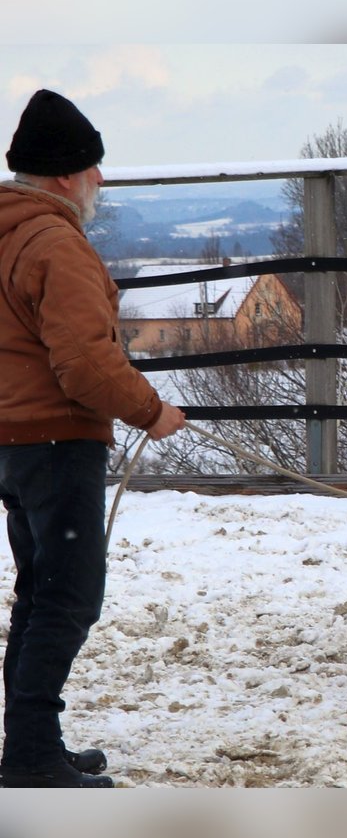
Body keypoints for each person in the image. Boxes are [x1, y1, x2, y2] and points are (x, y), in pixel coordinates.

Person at [0, 89, 187, 788]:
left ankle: (32, 744)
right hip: (56, 441)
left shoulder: (9, 233)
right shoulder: (57, 244)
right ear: (63, 177)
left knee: (43, 592)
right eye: (92, 169)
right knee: (69, 596)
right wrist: (151, 412)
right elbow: (82, 363)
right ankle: (31, 758)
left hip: (15, 445)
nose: (100, 182)